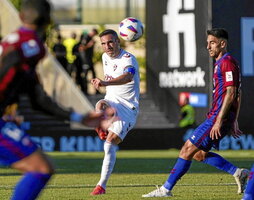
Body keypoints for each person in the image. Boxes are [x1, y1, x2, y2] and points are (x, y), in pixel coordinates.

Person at [0, 1, 114, 199]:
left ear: (21, 17)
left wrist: (79, 117)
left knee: (41, 168)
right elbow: (37, 98)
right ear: (49, 21)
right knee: (41, 168)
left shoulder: (11, 41)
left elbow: (37, 100)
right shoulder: (31, 46)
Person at [142, 28, 249, 197]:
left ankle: (165, 189)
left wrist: (221, 120)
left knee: (186, 149)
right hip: (219, 116)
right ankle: (238, 173)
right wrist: (234, 119)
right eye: (207, 43)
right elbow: (238, 93)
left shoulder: (227, 62)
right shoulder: (221, 63)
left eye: (212, 43)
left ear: (222, 43)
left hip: (217, 117)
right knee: (199, 154)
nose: (208, 47)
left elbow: (232, 92)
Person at [90, 29, 140, 195]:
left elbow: (128, 77)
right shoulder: (105, 57)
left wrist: (104, 82)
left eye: (110, 42)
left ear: (118, 41)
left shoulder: (128, 59)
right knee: (99, 106)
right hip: (111, 101)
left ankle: (101, 186)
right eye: (103, 43)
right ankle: (101, 127)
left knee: (109, 144)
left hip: (127, 108)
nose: (107, 46)